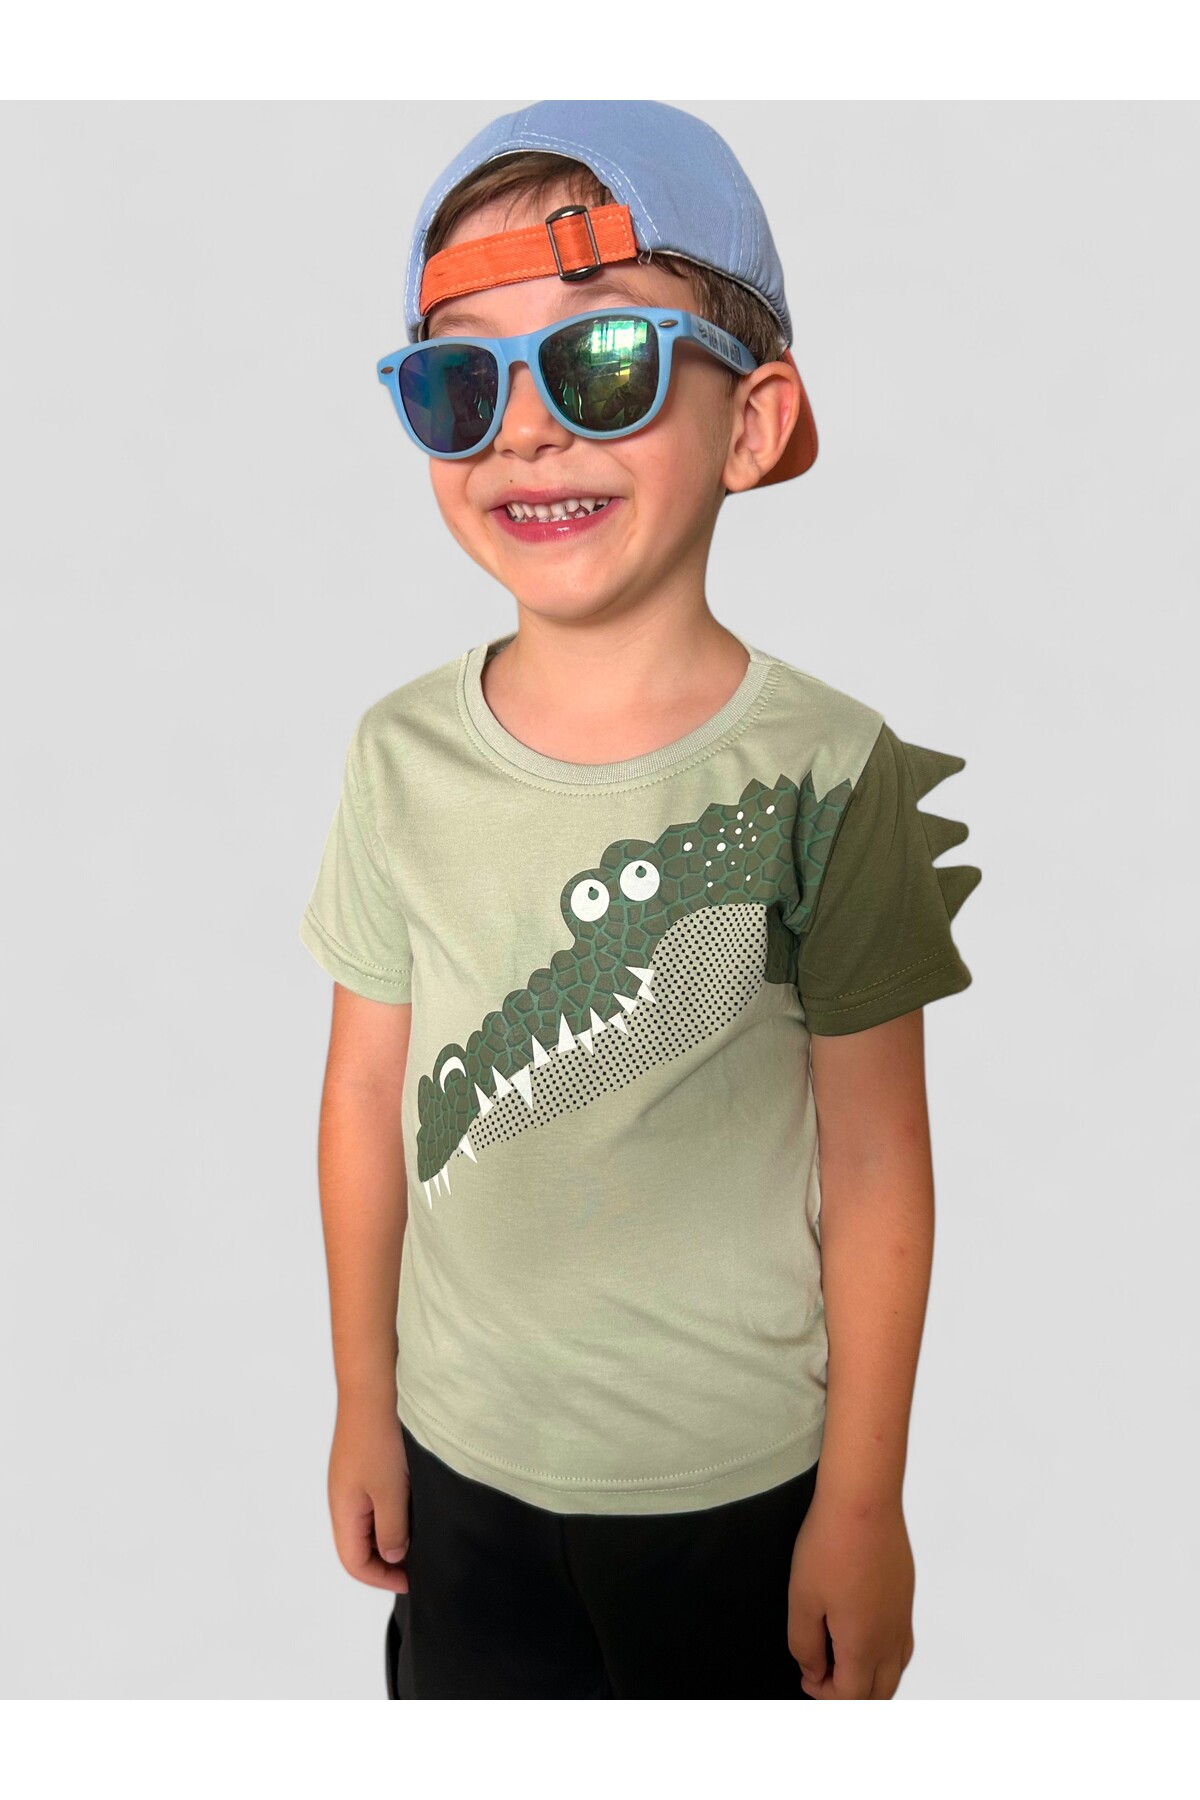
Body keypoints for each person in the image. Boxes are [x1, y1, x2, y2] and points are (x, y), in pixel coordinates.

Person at [298, 100, 982, 1701]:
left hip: (739, 1490)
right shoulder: (396, 755)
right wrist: (361, 1401)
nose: (527, 435)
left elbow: (878, 1157)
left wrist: (865, 1501)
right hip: (461, 1465)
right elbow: (365, 1095)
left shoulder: (836, 771)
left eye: (601, 365)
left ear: (752, 423)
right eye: (462, 385)